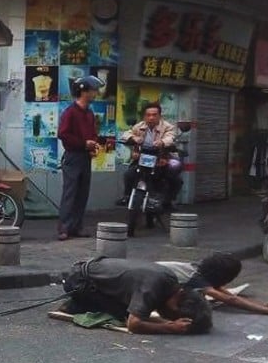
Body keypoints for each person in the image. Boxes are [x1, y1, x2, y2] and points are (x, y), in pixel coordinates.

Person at [60, 257, 213, 334]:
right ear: (179, 297)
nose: (167, 316)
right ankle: (74, 305)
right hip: (79, 280)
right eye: (172, 314)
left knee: (136, 310)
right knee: (123, 315)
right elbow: (133, 325)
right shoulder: (154, 286)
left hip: (90, 268)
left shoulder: (170, 281)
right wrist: (169, 327)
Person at [157, 253, 268, 317]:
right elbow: (230, 299)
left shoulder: (200, 271)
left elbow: (228, 295)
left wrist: (263, 305)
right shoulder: (195, 278)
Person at [56, 75, 104, 240]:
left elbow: (92, 133)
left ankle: (76, 226)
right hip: (73, 156)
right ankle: (64, 228)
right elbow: (63, 134)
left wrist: (93, 145)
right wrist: (84, 144)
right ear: (84, 91)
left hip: (85, 157)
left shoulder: (89, 113)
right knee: (70, 192)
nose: (96, 93)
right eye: (93, 90)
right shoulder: (70, 112)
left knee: (83, 193)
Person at [117, 102, 182, 208]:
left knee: (176, 179)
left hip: (161, 157)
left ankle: (168, 201)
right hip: (143, 158)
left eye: (154, 115)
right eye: (148, 115)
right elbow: (126, 134)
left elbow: (171, 137)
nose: (151, 117)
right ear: (144, 116)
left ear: (160, 116)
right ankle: (127, 196)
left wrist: (162, 142)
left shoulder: (168, 127)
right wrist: (134, 138)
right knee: (129, 174)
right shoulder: (139, 126)